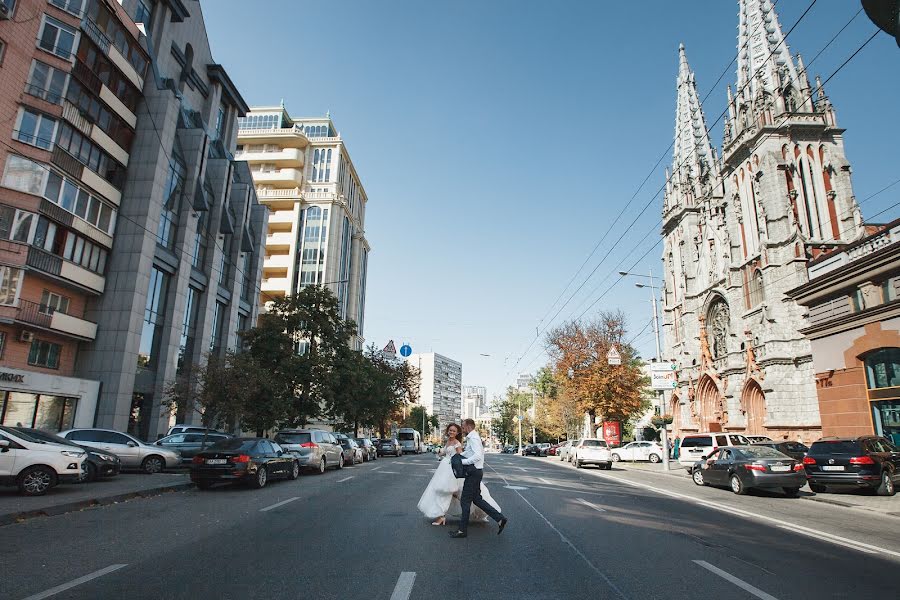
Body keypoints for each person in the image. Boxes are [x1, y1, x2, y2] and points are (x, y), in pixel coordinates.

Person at [449, 419, 508, 539]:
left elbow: (477, 456)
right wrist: (458, 456)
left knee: (465, 500)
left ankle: (462, 530)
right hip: (475, 472)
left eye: (463, 427)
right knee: (477, 499)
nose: (462, 429)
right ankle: (500, 519)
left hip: (473, 472)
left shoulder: (474, 438)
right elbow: (470, 452)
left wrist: (463, 462)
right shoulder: (472, 437)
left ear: (468, 427)